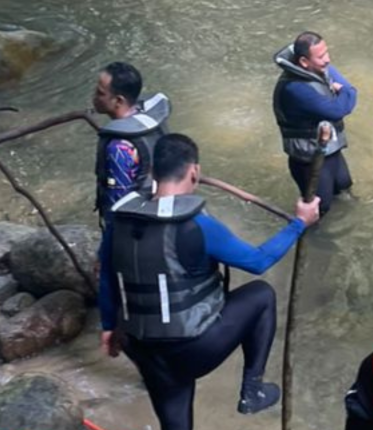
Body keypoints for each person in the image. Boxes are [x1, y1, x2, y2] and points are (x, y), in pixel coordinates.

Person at [98, 133, 321, 430]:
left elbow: (107, 275)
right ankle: (252, 389)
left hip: (143, 348)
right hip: (192, 348)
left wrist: (109, 326)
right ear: (195, 172)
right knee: (262, 294)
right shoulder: (195, 225)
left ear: (152, 172)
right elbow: (257, 262)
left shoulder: (120, 219)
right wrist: (299, 224)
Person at [273, 31, 358, 213]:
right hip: (309, 158)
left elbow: (347, 91)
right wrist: (345, 91)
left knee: (344, 186)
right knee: (320, 208)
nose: (328, 60)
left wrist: (346, 91)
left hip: (328, 149)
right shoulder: (295, 89)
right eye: (321, 56)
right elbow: (339, 109)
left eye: (326, 52)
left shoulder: (318, 68)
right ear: (304, 62)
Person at [91, 61, 170, 222]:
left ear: (118, 101)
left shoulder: (119, 147)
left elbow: (118, 204)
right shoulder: (153, 122)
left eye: (100, 93)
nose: (94, 96)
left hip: (136, 228)